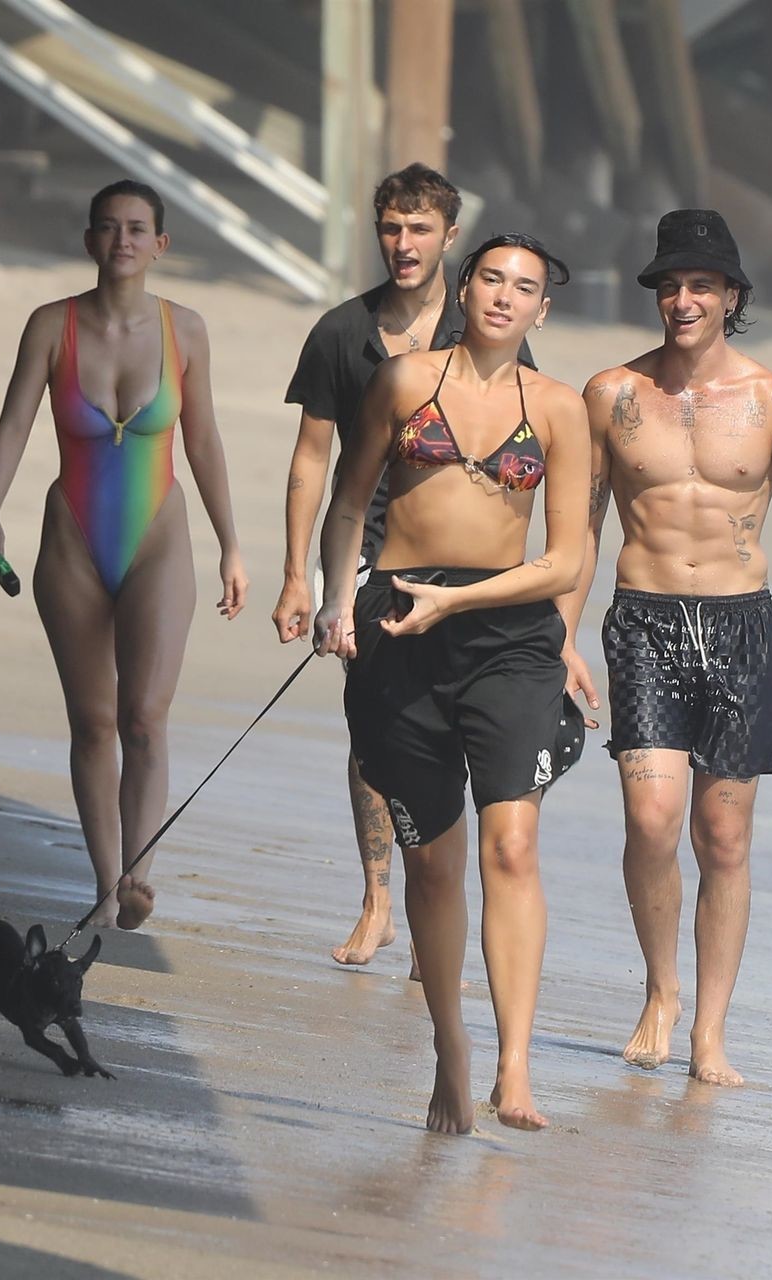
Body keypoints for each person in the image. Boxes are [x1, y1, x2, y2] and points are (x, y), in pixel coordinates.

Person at [561, 209, 772, 1087]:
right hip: (645, 623)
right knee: (652, 822)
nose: (683, 300)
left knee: (722, 837)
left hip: (740, 632)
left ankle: (711, 1032)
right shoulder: (611, 394)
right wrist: (560, 636)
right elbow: (581, 528)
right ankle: (661, 991)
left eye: (701, 285)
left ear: (731, 295)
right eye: (670, 285)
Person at [314, 233, 591, 1134]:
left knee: (511, 846)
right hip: (399, 621)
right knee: (433, 865)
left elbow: (567, 558)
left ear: (543, 309)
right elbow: (349, 501)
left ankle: (515, 1066)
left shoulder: (559, 409)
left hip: (507, 636)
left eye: (526, 288)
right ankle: (451, 1048)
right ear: (464, 289)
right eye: (492, 279)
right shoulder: (403, 382)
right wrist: (336, 600)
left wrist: (464, 603)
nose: (506, 296)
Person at [0, 180, 248, 931]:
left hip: (159, 537)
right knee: (93, 721)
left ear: (160, 245)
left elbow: (203, 440)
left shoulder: (186, 330)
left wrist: (230, 544)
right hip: (73, 538)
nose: (122, 240)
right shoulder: (50, 325)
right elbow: (13, 425)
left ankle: (138, 873)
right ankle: (104, 882)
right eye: (108, 227)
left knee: (145, 718)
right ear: (90, 240)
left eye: (137, 228)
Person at [276, 163, 533, 970]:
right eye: (391, 227)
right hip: (366, 553)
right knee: (375, 724)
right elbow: (311, 460)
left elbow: (523, 448)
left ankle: (433, 905)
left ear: (450, 237)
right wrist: (300, 576)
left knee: (452, 723)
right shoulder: (341, 333)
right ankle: (379, 901)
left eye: (420, 229)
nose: (404, 243)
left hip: (462, 561)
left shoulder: (485, 325)